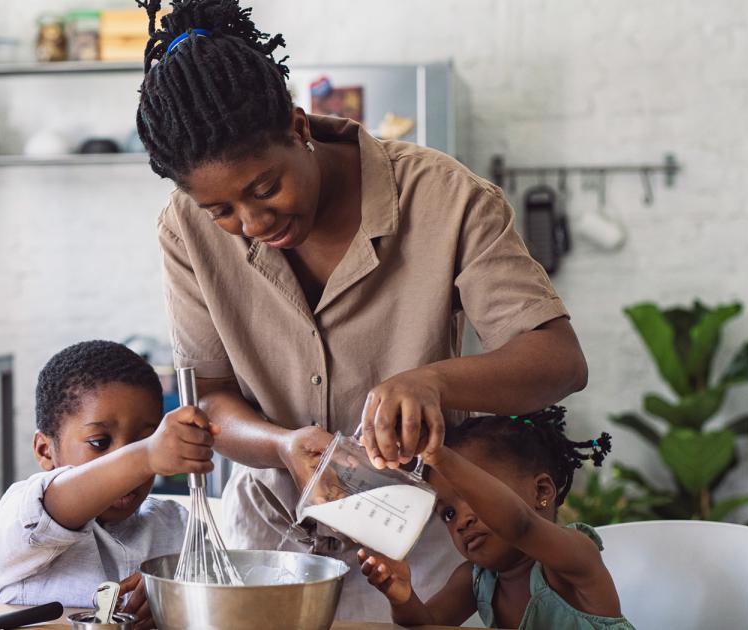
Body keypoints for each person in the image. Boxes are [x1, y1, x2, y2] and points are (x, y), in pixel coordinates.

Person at [135, 0, 589, 619]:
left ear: (299, 127)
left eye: (266, 188)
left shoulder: (445, 198)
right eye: (222, 211)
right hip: (271, 528)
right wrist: (285, 446)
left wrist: (432, 380)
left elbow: (558, 360)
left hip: (419, 535)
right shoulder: (184, 230)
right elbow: (210, 394)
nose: (253, 223)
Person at [0, 340, 216, 628]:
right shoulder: (22, 514)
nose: (127, 463)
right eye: (100, 443)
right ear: (45, 451)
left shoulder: (176, 525)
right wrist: (145, 454)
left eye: (144, 439)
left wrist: (171, 596)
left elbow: (211, 596)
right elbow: (58, 501)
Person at [359, 407, 635, 629]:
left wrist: (438, 456)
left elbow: (520, 525)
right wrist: (402, 597)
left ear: (541, 491)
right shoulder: (476, 579)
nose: (461, 521)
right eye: (449, 513)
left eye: (476, 497)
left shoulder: (574, 557)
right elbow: (427, 625)